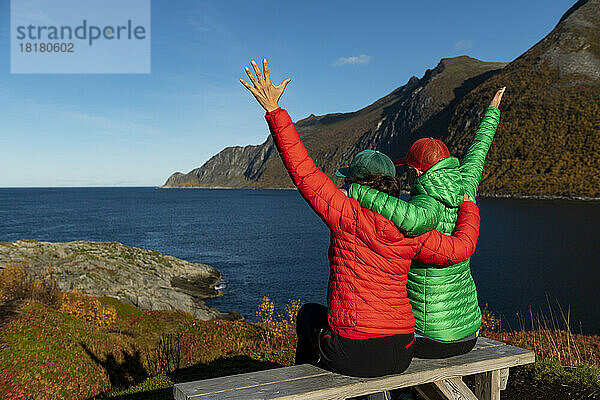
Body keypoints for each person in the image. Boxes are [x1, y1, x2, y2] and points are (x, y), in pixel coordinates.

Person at [240, 59, 482, 379]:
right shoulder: (415, 226)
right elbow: (461, 248)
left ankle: (304, 382)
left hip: (357, 352)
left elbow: (302, 170)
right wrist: (468, 203)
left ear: (353, 184)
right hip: (405, 349)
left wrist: (274, 110)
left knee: (309, 315)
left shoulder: (344, 214)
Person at [346, 88, 505, 359]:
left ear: (418, 171)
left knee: (389, 342)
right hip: (469, 333)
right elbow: (479, 151)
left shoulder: (425, 203)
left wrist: (358, 192)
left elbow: (415, 220)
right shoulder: (465, 188)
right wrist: (492, 112)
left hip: (431, 337)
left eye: (409, 169)